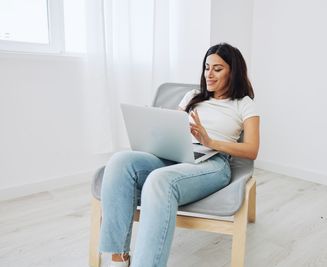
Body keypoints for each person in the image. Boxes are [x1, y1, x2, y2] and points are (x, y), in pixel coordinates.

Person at [99, 42, 260, 267]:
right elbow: (171, 127)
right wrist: (154, 123)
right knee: (119, 162)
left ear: (233, 72)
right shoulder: (193, 96)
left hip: (212, 162)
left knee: (159, 180)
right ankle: (118, 259)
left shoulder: (244, 104)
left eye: (217, 68)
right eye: (206, 67)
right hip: (176, 154)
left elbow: (252, 150)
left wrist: (210, 141)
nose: (209, 74)